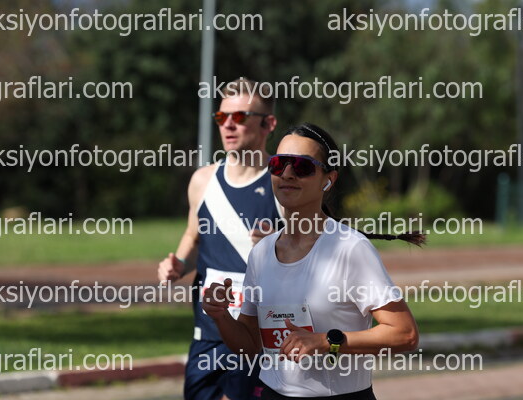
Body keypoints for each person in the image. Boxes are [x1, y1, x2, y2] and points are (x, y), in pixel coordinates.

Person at [202, 123, 421, 399]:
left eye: (302, 166)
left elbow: (405, 334)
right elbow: (250, 347)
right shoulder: (261, 253)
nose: (287, 173)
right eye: (278, 164)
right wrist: (221, 315)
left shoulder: (349, 248)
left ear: (328, 179)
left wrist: (327, 341)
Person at [158, 78, 283, 400]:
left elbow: (313, 253)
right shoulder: (203, 180)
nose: (228, 124)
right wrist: (178, 264)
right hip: (208, 333)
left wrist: (277, 243)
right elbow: (194, 237)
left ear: (268, 124)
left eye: (239, 117)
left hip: (257, 336)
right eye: (221, 117)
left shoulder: (284, 182)